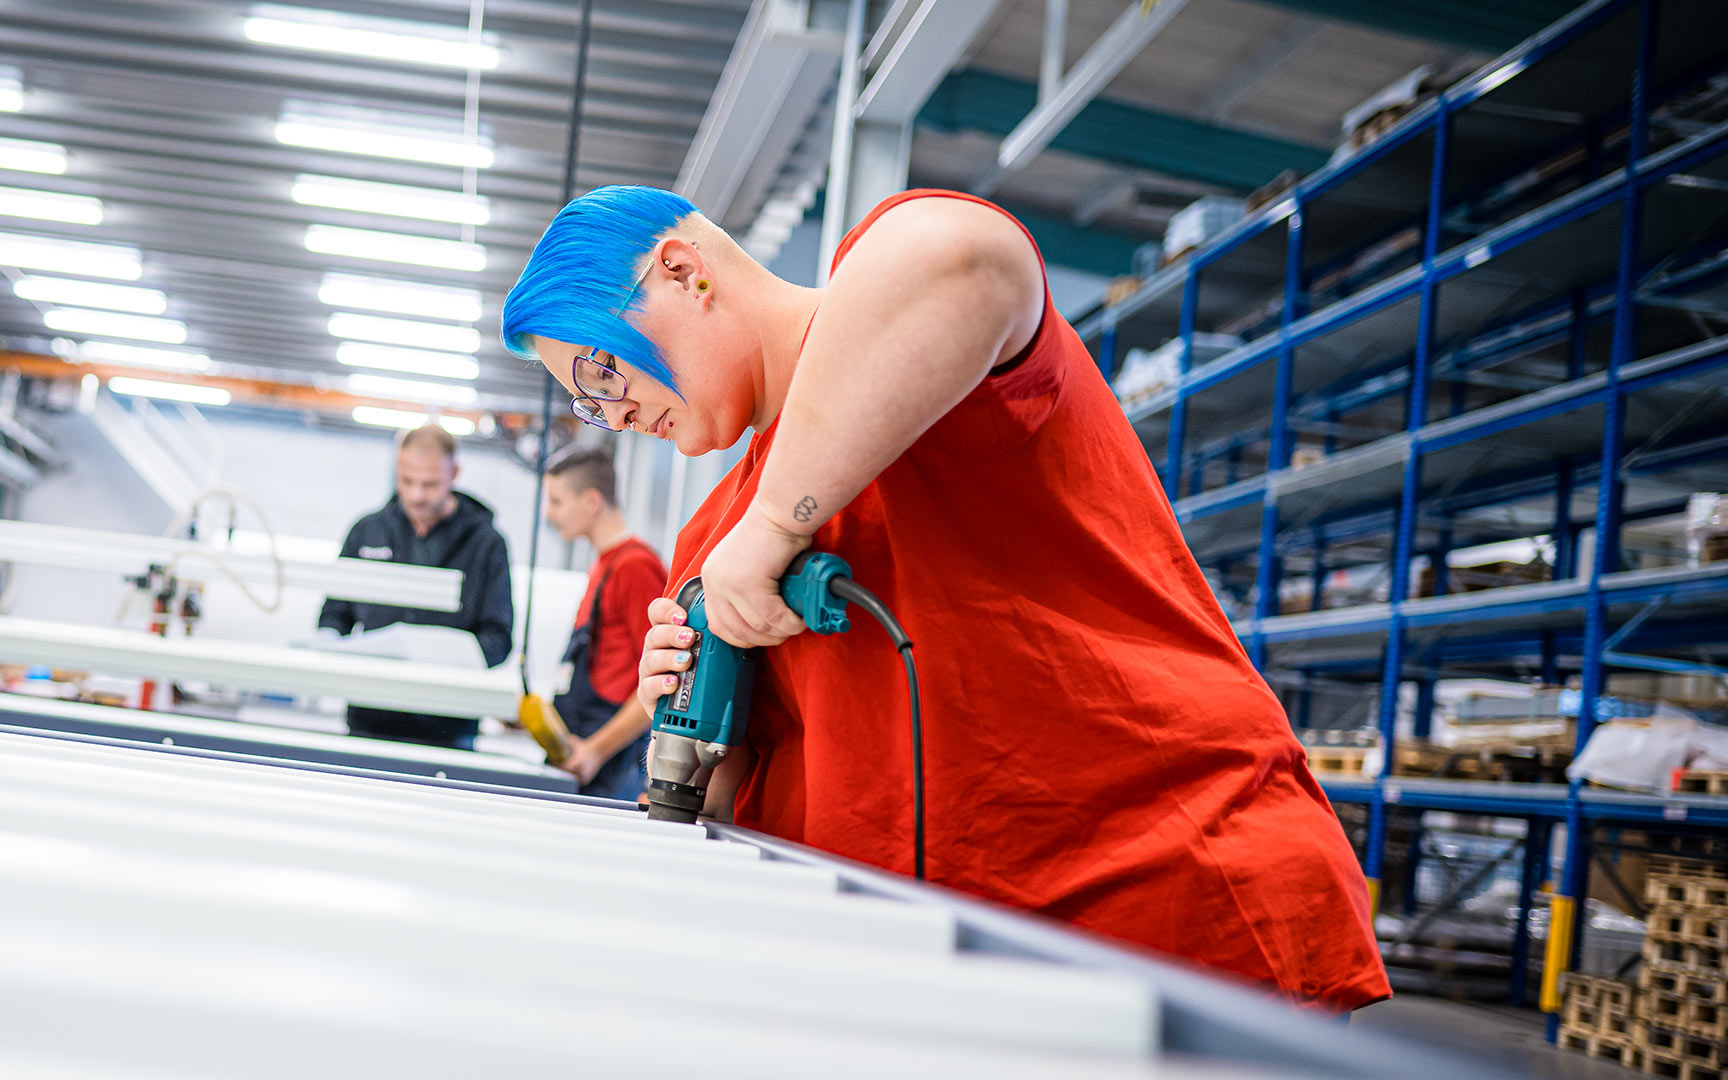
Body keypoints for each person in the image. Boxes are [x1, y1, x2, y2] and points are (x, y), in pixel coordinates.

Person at [499, 184, 1391, 1013]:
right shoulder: (713, 547)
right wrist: (687, 705)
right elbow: (730, 816)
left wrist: (775, 529)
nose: (610, 415)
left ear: (684, 270)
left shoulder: (905, 342)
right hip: (956, 990)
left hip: (1166, 919)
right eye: (586, 406)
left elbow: (964, 255)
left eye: (601, 374)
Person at [319, 425, 513, 751]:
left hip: (448, 729)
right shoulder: (368, 532)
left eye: (430, 484)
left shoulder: (485, 544)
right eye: (407, 481)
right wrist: (327, 644)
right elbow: (334, 615)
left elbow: (497, 640)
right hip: (369, 720)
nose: (416, 495)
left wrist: (435, 651)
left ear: (455, 473)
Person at [540, 447, 667, 799]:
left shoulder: (636, 568)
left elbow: (660, 682)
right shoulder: (602, 565)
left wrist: (596, 749)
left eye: (556, 501)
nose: (548, 513)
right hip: (584, 751)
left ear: (591, 501)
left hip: (613, 765)